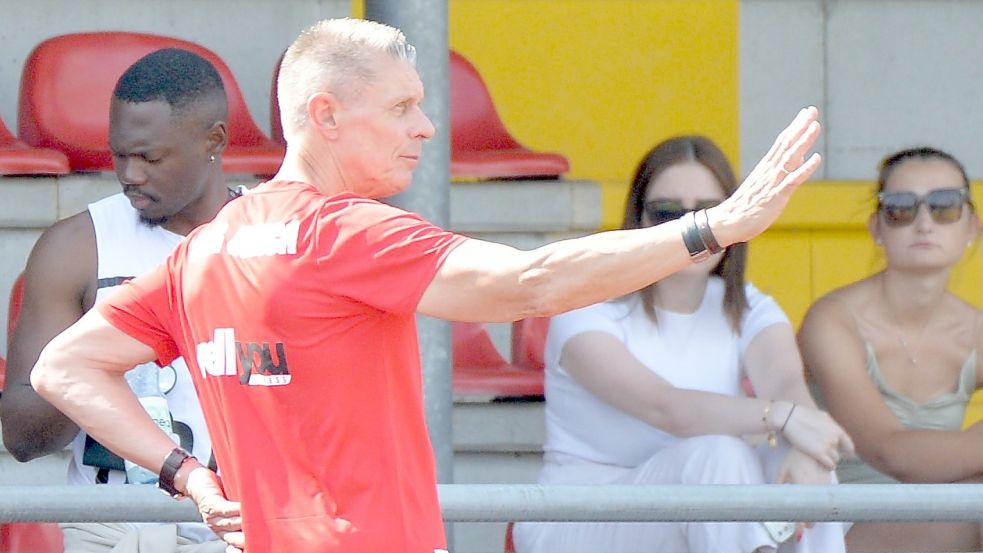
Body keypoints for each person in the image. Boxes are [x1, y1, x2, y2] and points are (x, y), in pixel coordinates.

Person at [29, 18, 834, 553]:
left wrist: (189, 477)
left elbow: (61, 368)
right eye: (405, 106)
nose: (426, 126)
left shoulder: (207, 250)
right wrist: (712, 228)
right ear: (328, 116)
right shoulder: (343, 232)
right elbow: (531, 283)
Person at [512, 136, 852, 553]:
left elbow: (785, 384)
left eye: (710, 212)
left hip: (700, 510)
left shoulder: (749, 306)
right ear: (637, 221)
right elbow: (667, 408)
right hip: (583, 519)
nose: (691, 228)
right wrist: (782, 418)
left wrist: (806, 445)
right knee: (718, 456)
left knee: (807, 466)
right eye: (666, 213)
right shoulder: (585, 305)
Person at [0, 48, 241, 552]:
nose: (130, 174)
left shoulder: (276, 238)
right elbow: (22, 438)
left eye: (150, 157)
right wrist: (96, 356)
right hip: (113, 529)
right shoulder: (78, 246)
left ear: (213, 140)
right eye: (118, 155)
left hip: (245, 527)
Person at [799, 146, 983, 553]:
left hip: (943, 514)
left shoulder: (976, 330)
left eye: (944, 206)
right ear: (876, 228)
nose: (923, 223)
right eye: (900, 208)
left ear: (972, 226)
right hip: (839, 525)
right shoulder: (833, 321)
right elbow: (889, 450)